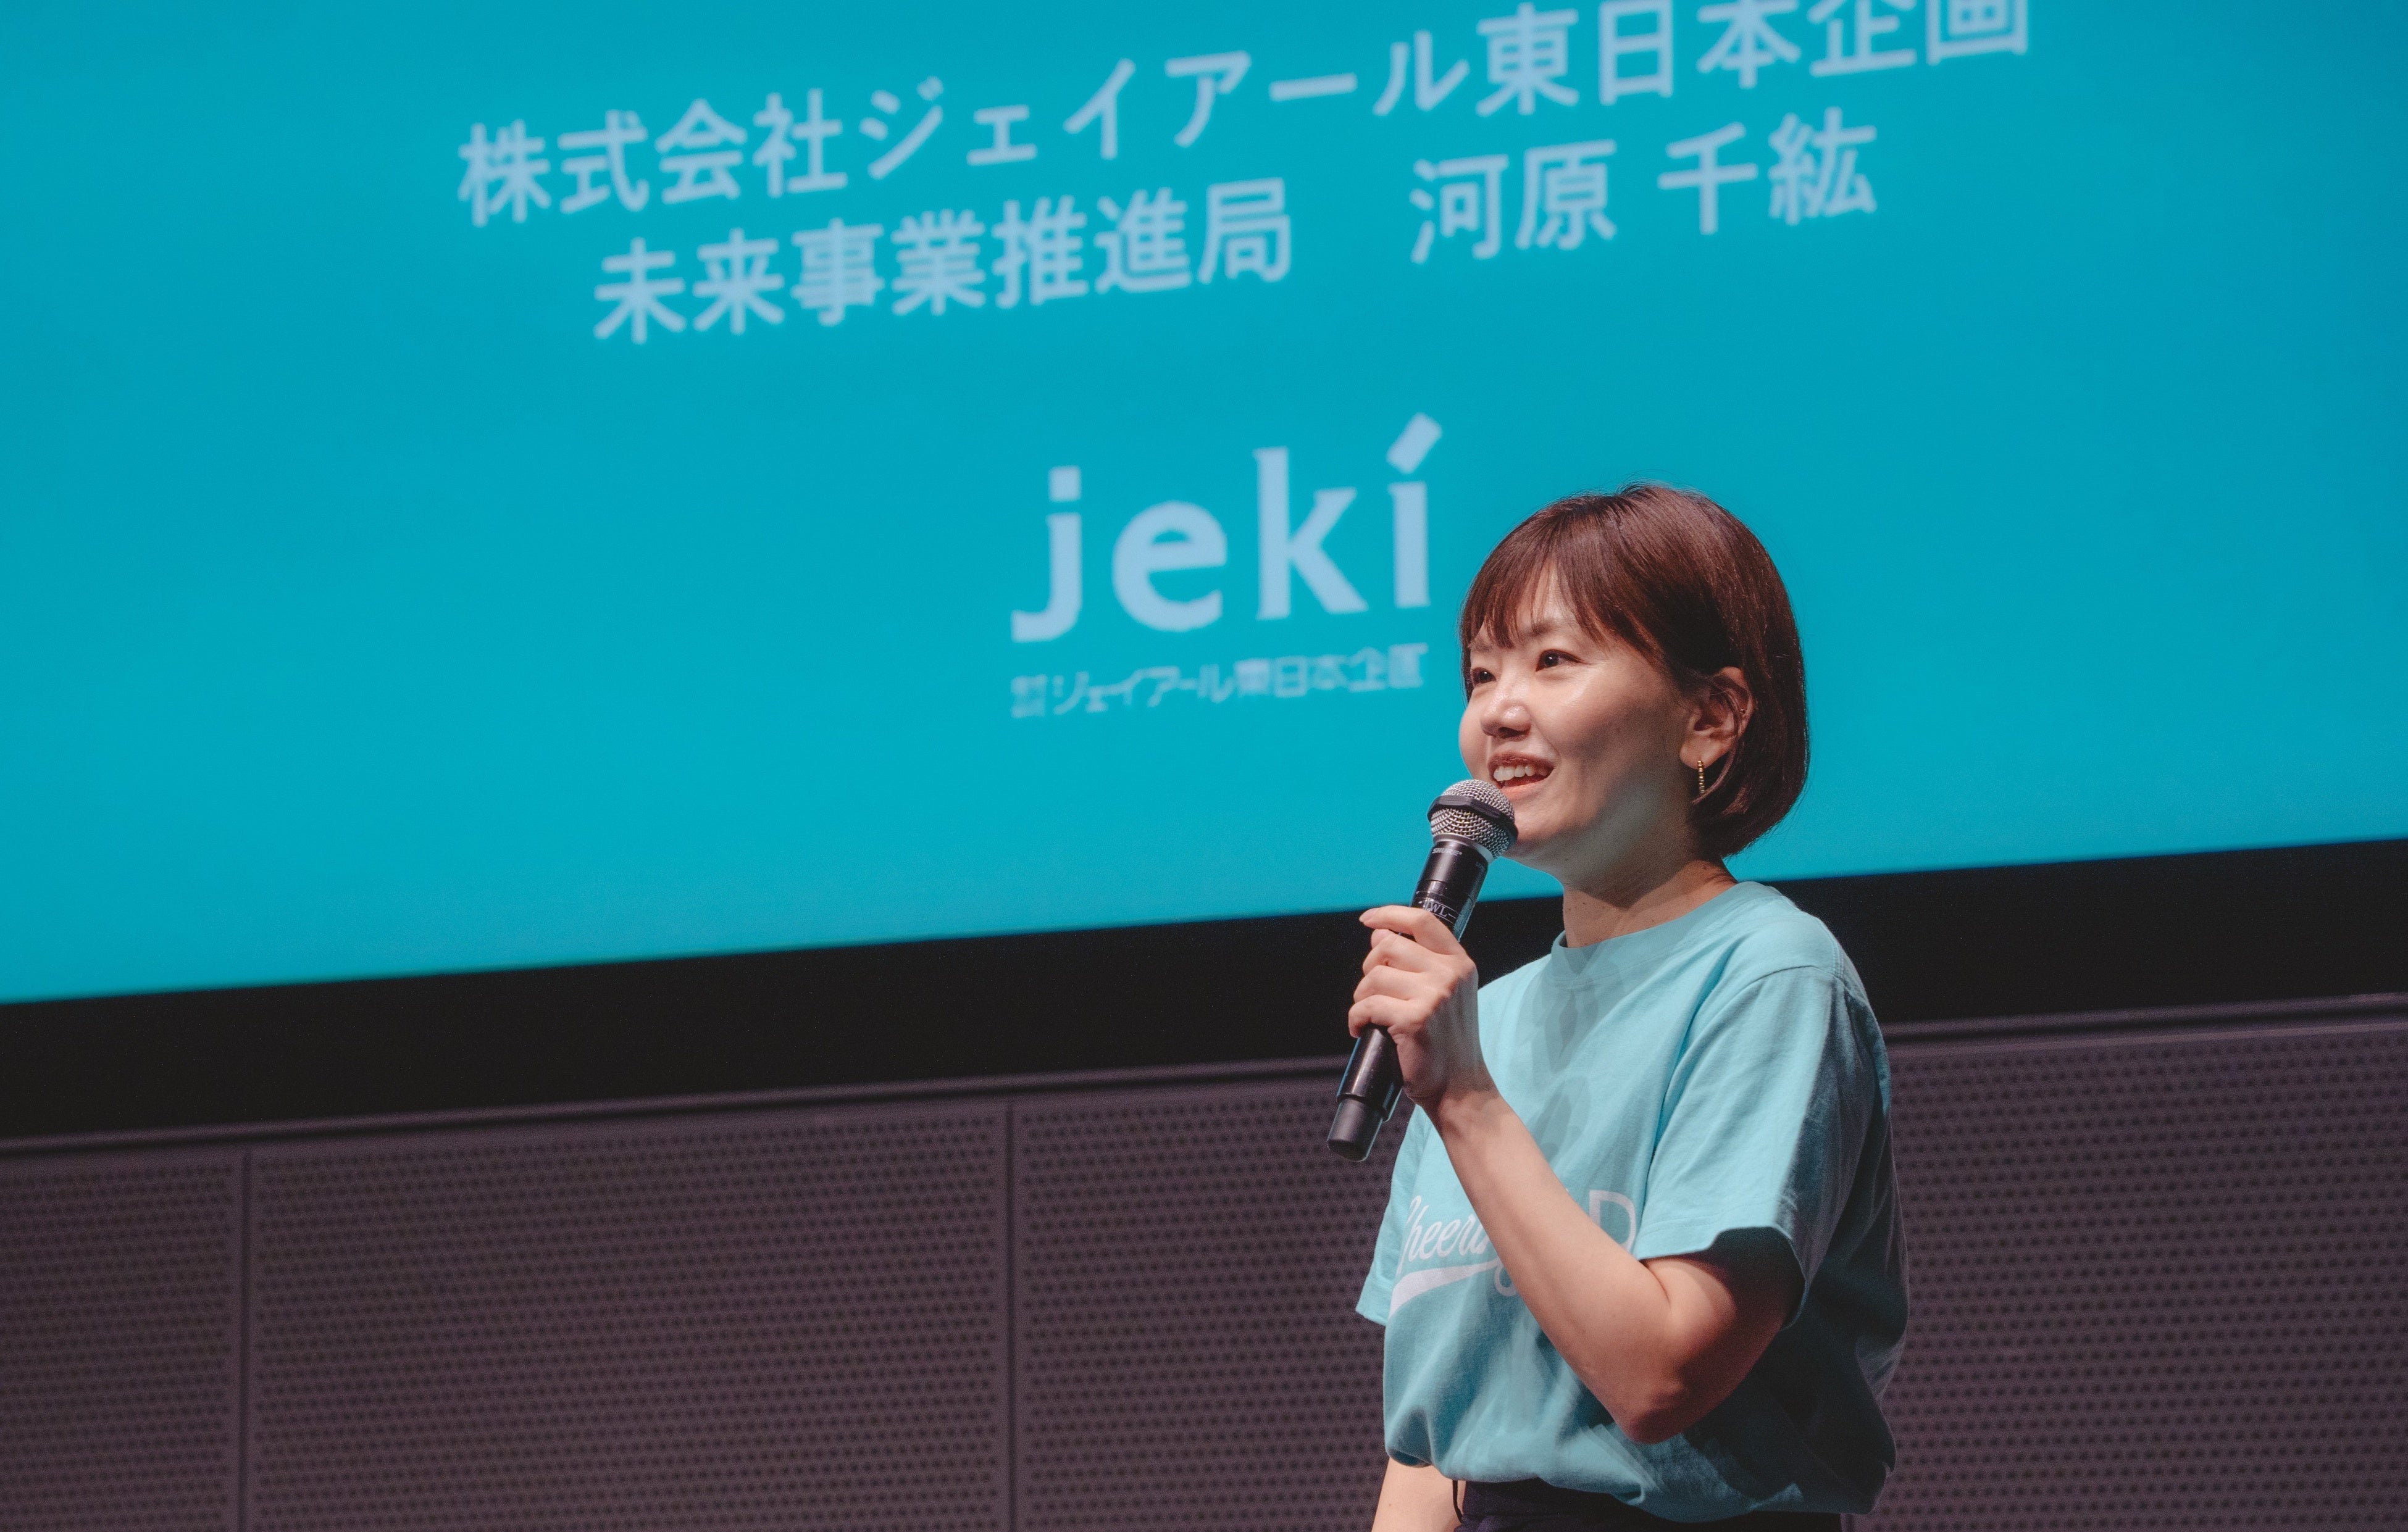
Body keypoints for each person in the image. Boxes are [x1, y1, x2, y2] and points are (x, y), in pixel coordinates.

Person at [1352, 486, 1908, 1530]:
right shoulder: (1480, 1018)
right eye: (1481, 673)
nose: (1498, 710)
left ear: (1710, 718)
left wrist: (1465, 1100)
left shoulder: (1769, 972)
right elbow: (1433, 1451)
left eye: (1553, 659)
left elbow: (1660, 1377)